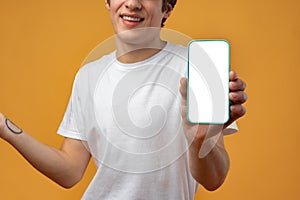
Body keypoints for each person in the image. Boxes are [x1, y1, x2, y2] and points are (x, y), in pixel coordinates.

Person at [0, 0, 247, 199]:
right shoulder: (89, 74)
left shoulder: (196, 68)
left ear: (167, 8)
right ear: (108, 2)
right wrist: (5, 128)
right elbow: (69, 170)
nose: (132, 3)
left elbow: (214, 180)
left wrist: (199, 139)